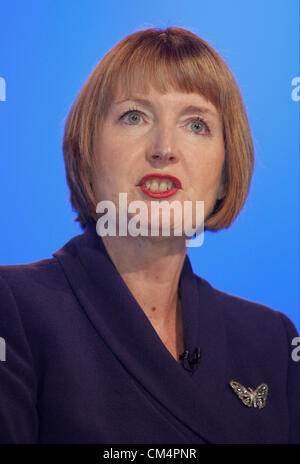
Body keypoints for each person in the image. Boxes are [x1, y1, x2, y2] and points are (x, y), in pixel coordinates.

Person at [0, 26, 299, 445]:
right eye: (134, 116)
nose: (164, 148)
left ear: (226, 169)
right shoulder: (12, 308)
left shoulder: (273, 341)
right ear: (86, 151)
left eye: (196, 124)